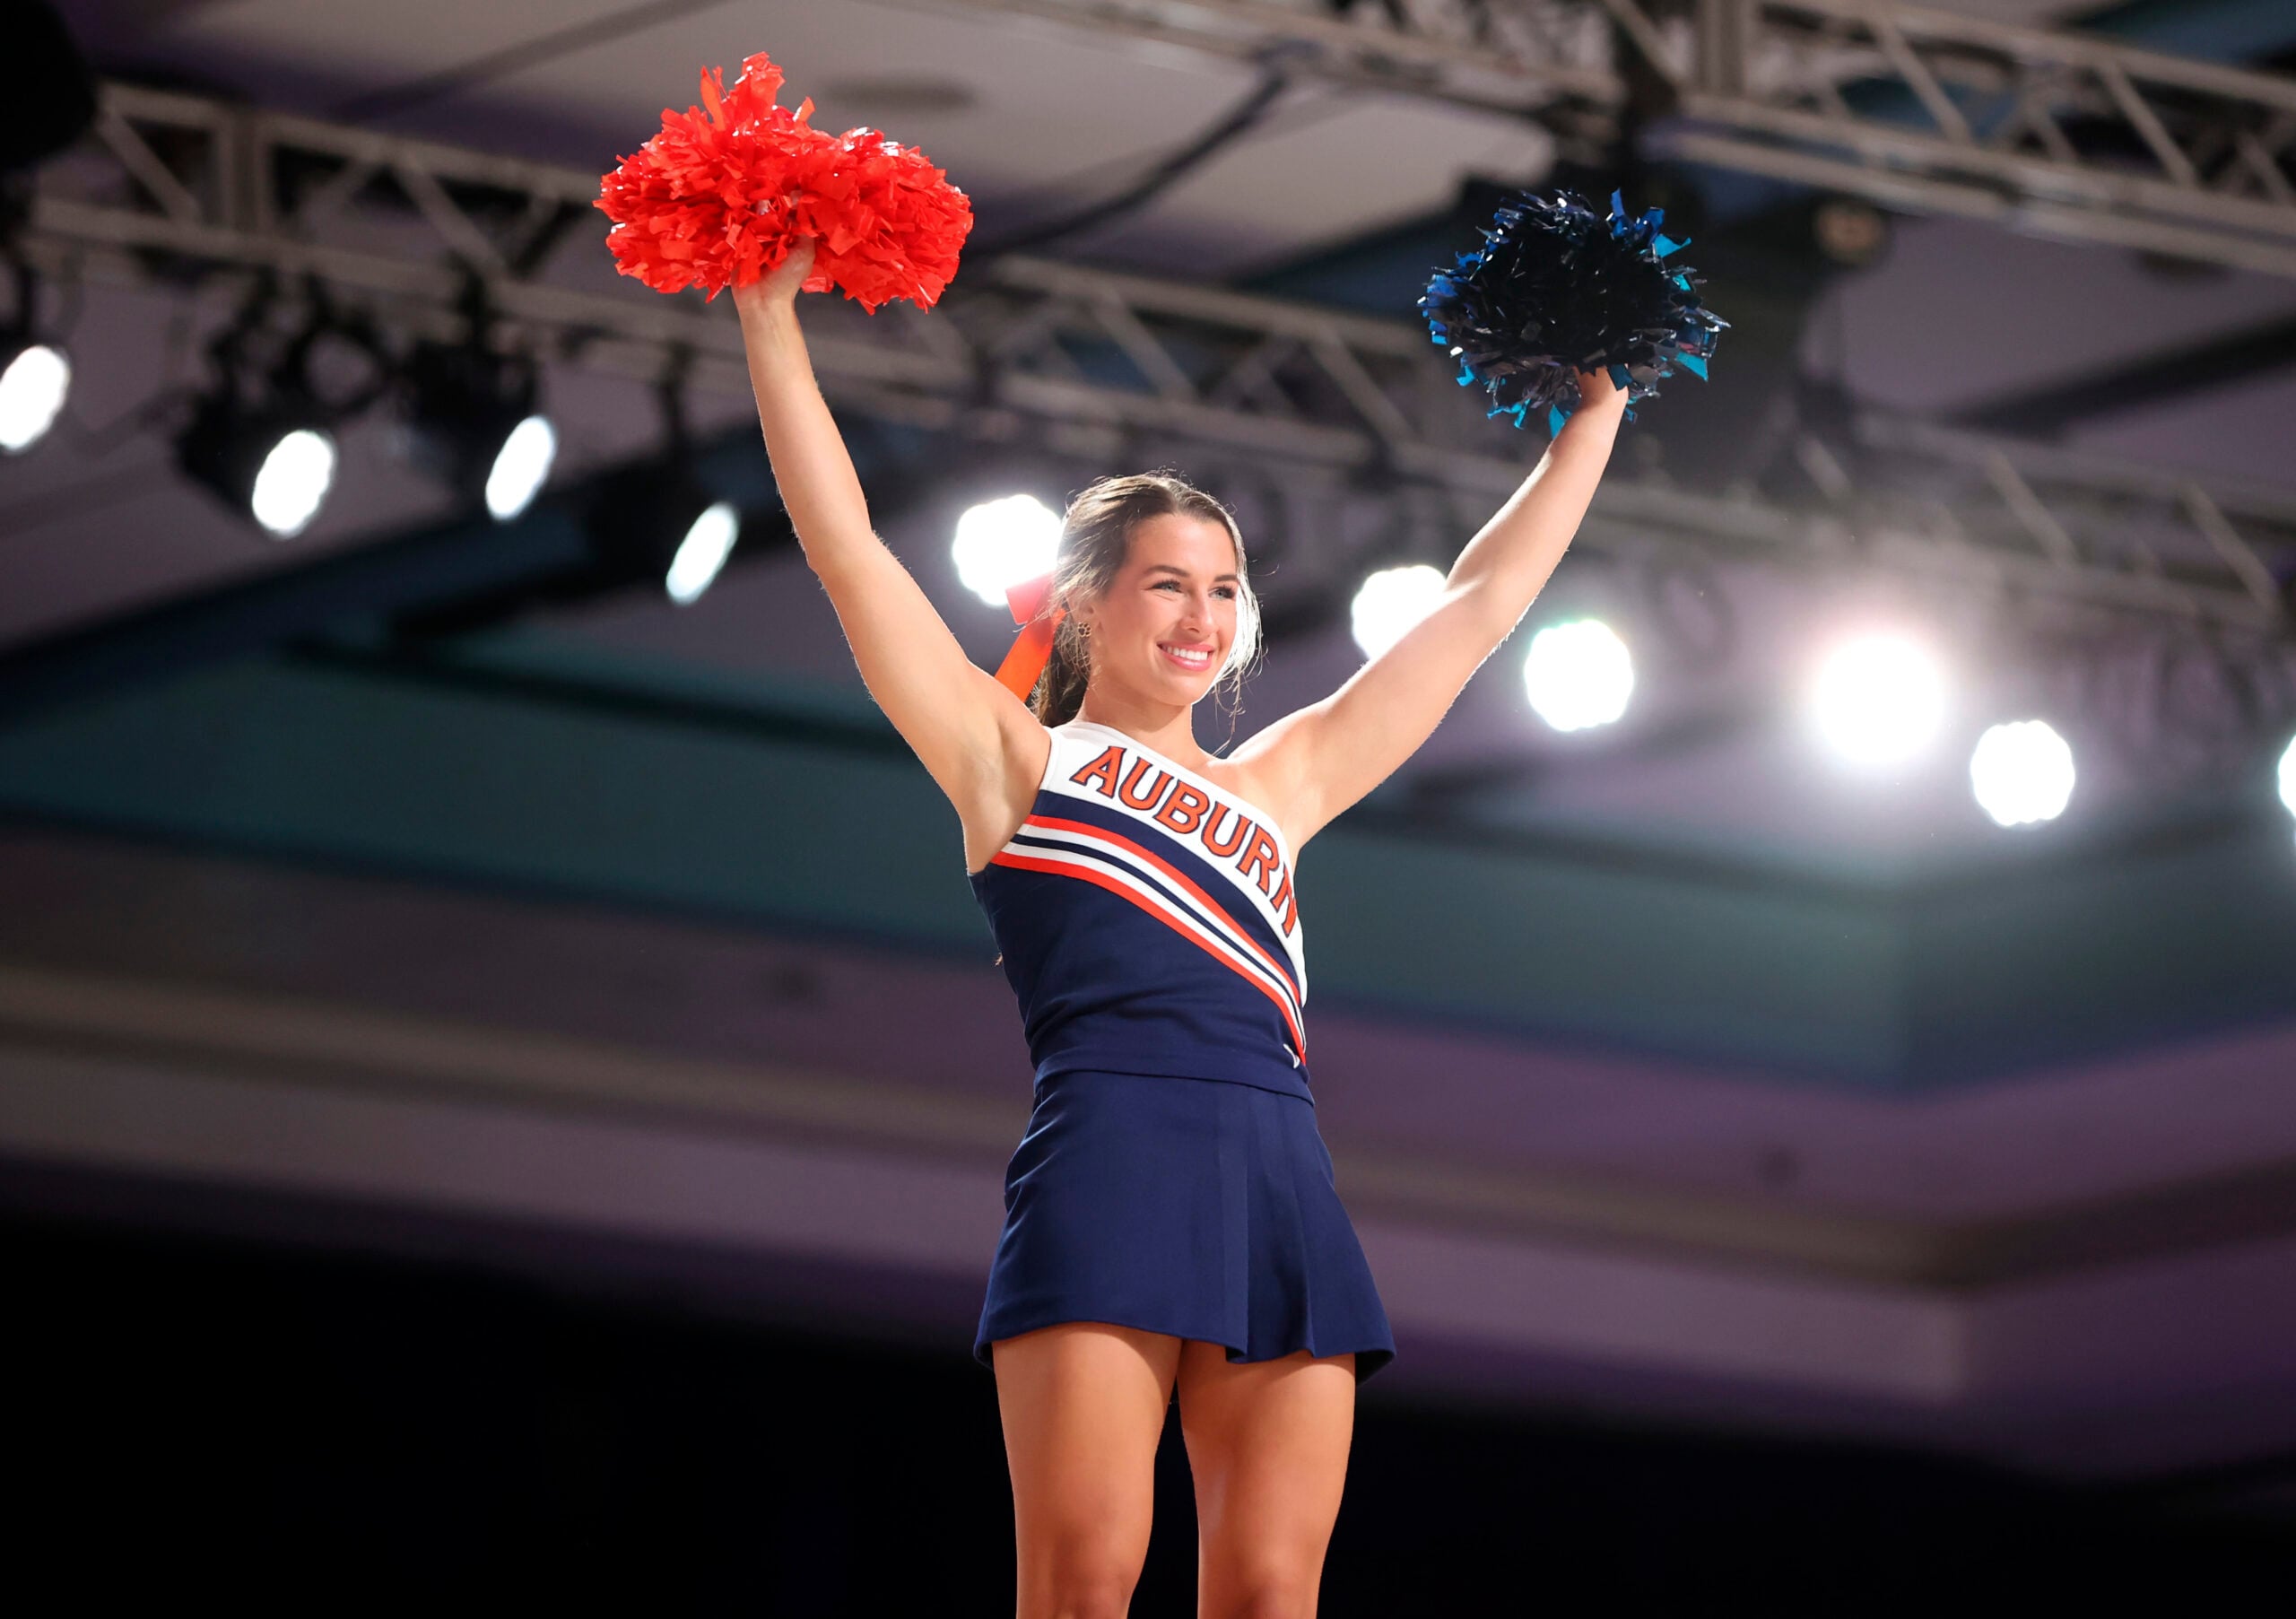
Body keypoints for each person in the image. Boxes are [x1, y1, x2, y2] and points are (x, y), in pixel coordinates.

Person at [733, 236, 1625, 1619]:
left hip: (1280, 1172)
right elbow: (849, 553)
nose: (1202, 616)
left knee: (1271, 1593)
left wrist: (1594, 417)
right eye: (1167, 583)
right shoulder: (1012, 760)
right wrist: (769, 318)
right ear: (1085, 602)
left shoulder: (1284, 784)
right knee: (1085, 1581)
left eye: (1223, 589)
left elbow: (1478, 604)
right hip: (1109, 1155)